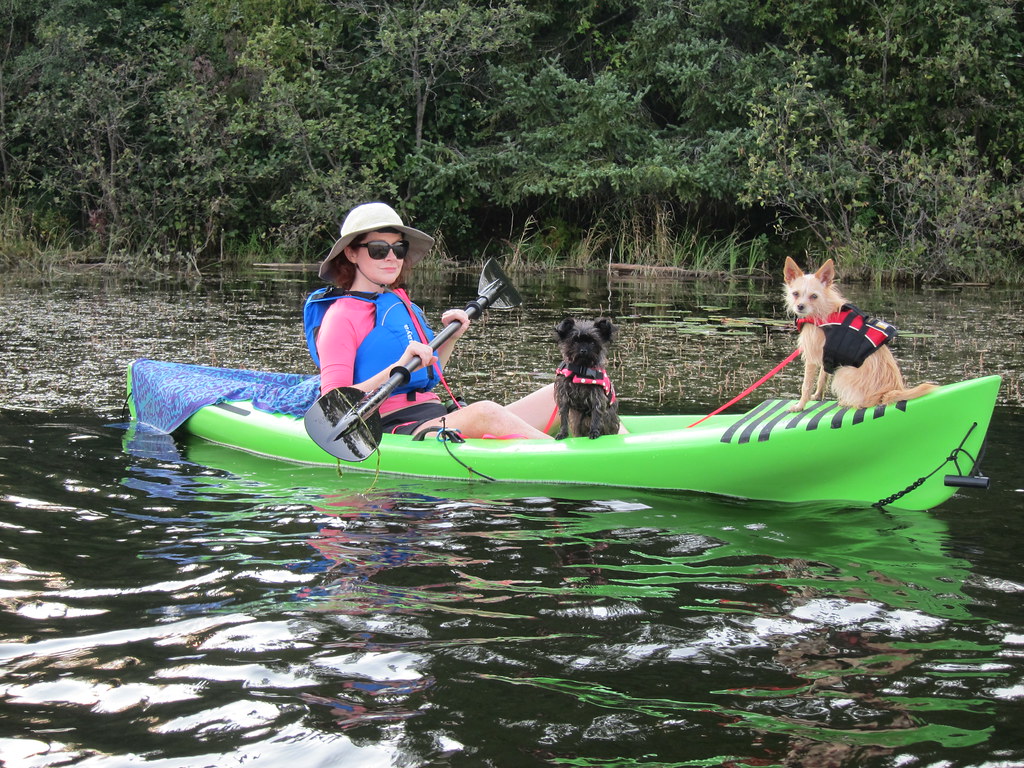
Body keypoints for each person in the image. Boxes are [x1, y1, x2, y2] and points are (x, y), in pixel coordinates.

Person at [305, 202, 557, 440]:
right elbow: (333, 407)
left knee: (561, 392)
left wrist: (451, 338)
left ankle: (568, 449)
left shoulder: (403, 305)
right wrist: (397, 367)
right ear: (351, 254)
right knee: (486, 412)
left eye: (398, 248)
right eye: (379, 250)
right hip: (391, 426)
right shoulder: (340, 316)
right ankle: (560, 456)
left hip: (434, 414)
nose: (392, 257)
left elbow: (431, 376)